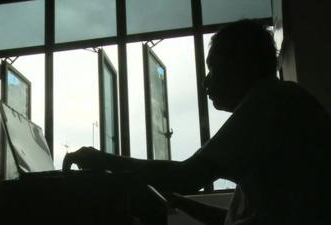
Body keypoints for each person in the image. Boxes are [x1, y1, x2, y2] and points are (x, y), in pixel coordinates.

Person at [63, 19, 331, 225]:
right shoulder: (281, 101)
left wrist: (104, 160)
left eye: (212, 68)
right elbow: (231, 219)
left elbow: (188, 175)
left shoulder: (269, 102)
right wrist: (176, 199)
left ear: (241, 65)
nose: (205, 81)